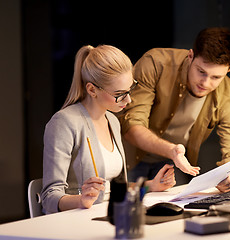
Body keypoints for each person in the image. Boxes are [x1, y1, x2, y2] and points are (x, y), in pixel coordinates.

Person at [41, 45, 175, 214]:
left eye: (130, 89)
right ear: (92, 89)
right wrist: (81, 201)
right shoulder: (64, 123)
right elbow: (49, 197)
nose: (129, 99)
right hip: (77, 222)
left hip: (110, 214)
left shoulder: (112, 120)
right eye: (119, 93)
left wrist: (151, 185)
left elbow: (113, 189)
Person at [118, 27, 230, 192]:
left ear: (229, 69)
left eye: (216, 77)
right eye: (201, 71)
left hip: (172, 165)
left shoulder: (229, 96)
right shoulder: (155, 63)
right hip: (128, 158)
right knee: (121, 210)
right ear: (190, 56)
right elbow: (131, 126)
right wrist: (171, 150)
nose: (206, 83)